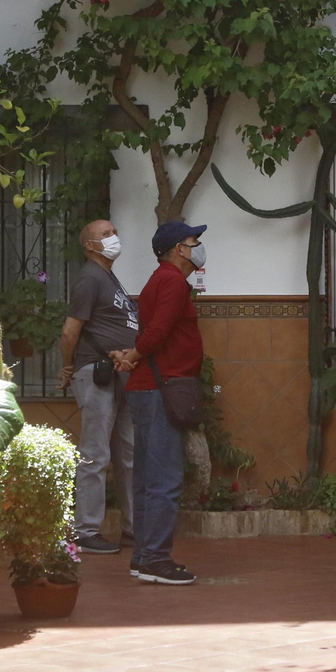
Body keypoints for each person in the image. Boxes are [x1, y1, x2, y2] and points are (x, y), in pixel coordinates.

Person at [112, 220, 206, 586]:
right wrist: (133, 357)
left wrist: (131, 357)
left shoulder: (161, 279)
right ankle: (155, 558)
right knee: (165, 478)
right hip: (158, 388)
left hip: (150, 387)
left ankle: (143, 555)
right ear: (179, 249)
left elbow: (154, 332)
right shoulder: (171, 281)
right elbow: (158, 332)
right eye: (193, 241)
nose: (199, 247)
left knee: (148, 478)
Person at [58, 220, 139, 554]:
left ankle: (134, 528)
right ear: (89, 246)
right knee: (95, 455)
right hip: (97, 372)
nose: (113, 237)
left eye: (114, 232)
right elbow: (70, 331)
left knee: (129, 453)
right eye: (105, 234)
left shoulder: (108, 277)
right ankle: (86, 531)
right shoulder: (90, 278)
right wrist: (68, 365)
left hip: (121, 374)